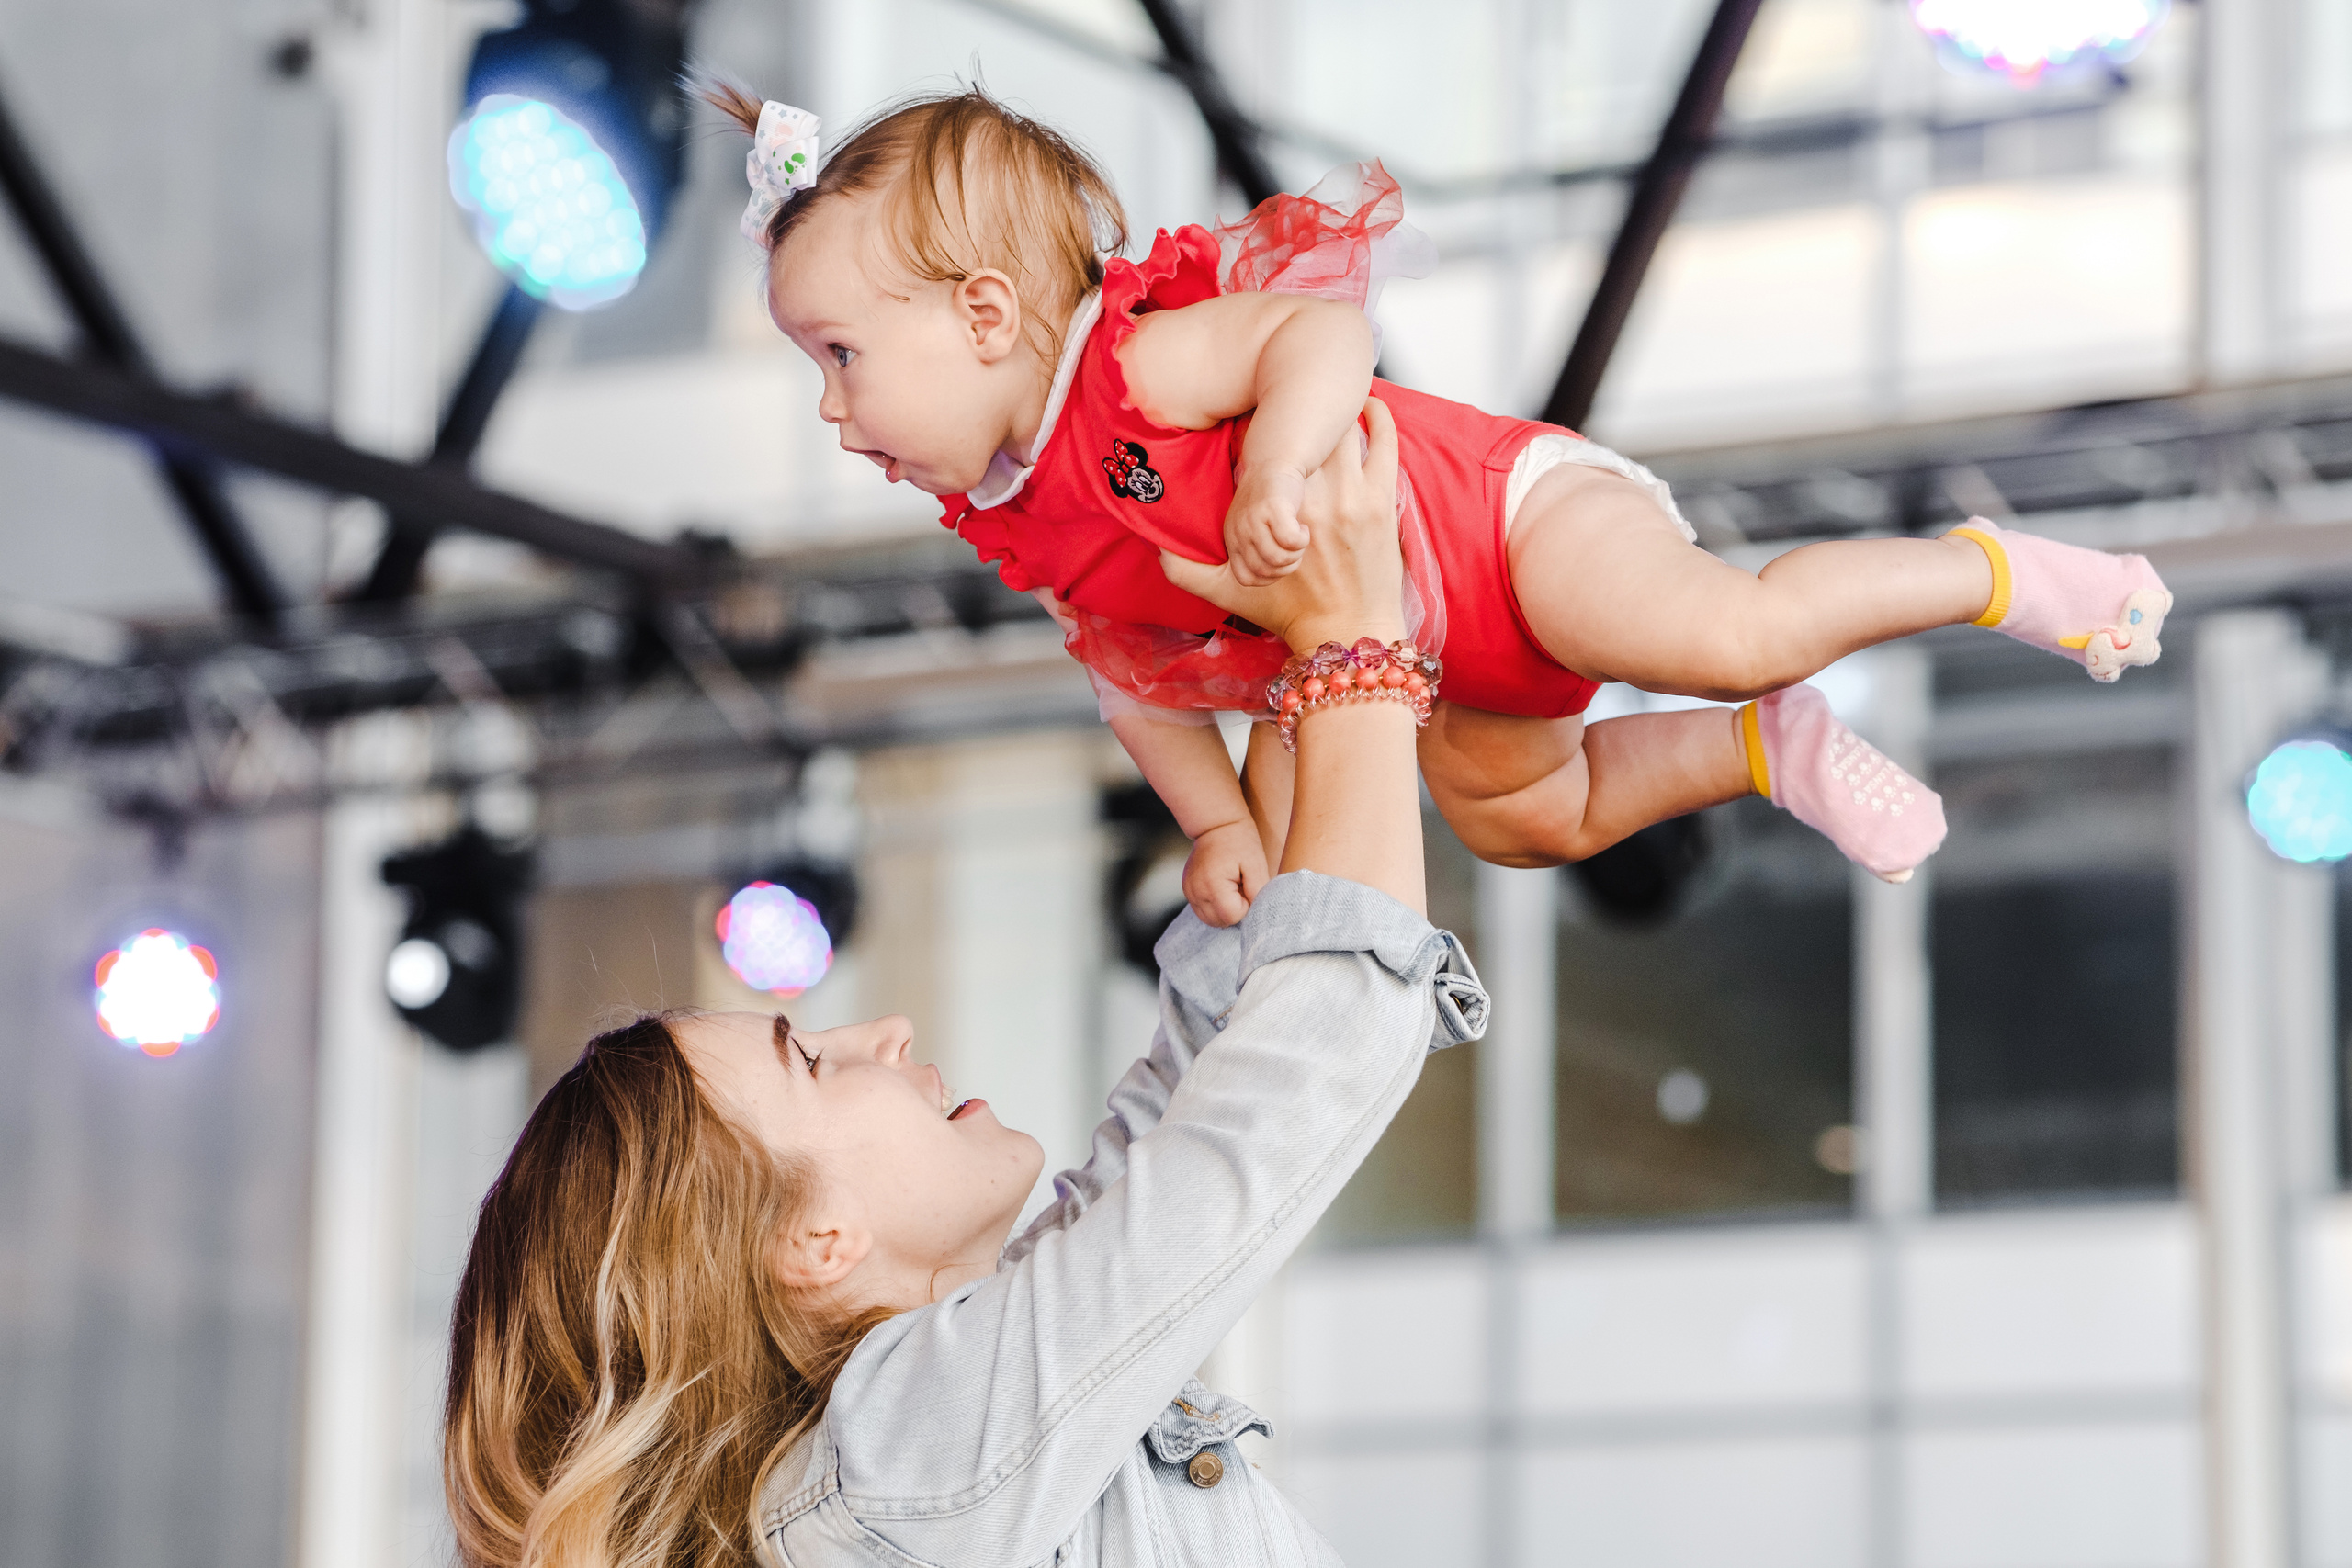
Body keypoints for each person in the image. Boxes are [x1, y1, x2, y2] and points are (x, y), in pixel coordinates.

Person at [441, 402, 1488, 1568]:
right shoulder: (903, 1470)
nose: (882, 1033)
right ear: (816, 1242)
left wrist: (1300, 650)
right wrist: (1354, 646)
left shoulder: (921, 1443)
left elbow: (1213, 1078)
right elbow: (1295, 1080)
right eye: (811, 1062)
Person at [708, 85, 2171, 913]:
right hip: (1419, 659)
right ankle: (1759, 754)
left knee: (1731, 626)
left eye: (840, 355)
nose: (833, 407)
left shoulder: (1138, 362)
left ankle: (1989, 571)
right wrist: (1216, 825)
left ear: (981, 314)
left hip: (1499, 521)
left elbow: (1321, 334)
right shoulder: (1026, 524)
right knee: (1530, 817)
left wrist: (1279, 459)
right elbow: (1136, 686)